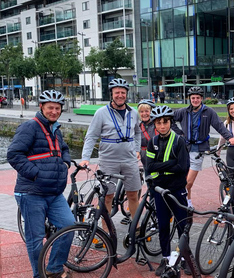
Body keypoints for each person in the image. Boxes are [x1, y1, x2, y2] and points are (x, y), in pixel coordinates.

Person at [7, 90, 74, 278]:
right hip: (31, 192)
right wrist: (36, 174)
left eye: (57, 108)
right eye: (50, 107)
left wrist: (66, 162)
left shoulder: (55, 129)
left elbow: (64, 149)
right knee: (36, 238)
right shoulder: (30, 127)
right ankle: (40, 274)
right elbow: (13, 155)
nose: (54, 111)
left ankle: (53, 268)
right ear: (41, 107)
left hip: (54, 192)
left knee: (68, 227)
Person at [80, 78, 142, 226]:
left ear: (126, 94)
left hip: (129, 159)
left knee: (133, 195)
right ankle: (105, 230)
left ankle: (136, 227)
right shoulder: (101, 113)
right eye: (117, 93)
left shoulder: (133, 112)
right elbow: (91, 136)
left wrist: (137, 149)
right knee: (107, 196)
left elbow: (138, 132)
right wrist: (85, 157)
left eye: (123, 92)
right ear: (111, 94)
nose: (120, 95)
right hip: (109, 160)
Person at [145, 106, 191, 276]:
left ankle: (185, 258)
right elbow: (149, 166)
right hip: (159, 189)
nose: (162, 125)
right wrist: (170, 164)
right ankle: (165, 258)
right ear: (155, 125)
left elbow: (182, 167)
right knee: (163, 226)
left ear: (170, 122)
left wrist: (161, 167)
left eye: (165, 122)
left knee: (182, 225)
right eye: (159, 123)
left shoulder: (179, 141)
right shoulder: (152, 142)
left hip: (177, 188)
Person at [172, 86, 234, 206]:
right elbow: (170, 120)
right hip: (184, 149)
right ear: (189, 98)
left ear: (201, 98)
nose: (195, 100)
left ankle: (184, 204)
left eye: (197, 98)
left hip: (198, 150)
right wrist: (180, 134)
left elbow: (219, 125)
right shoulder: (183, 111)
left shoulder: (208, 112)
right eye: (193, 98)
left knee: (188, 182)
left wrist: (229, 137)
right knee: (182, 179)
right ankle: (188, 203)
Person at [138, 99, 157, 167]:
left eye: (147, 111)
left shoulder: (157, 125)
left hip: (157, 157)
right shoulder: (137, 126)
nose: (144, 114)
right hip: (143, 158)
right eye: (141, 111)